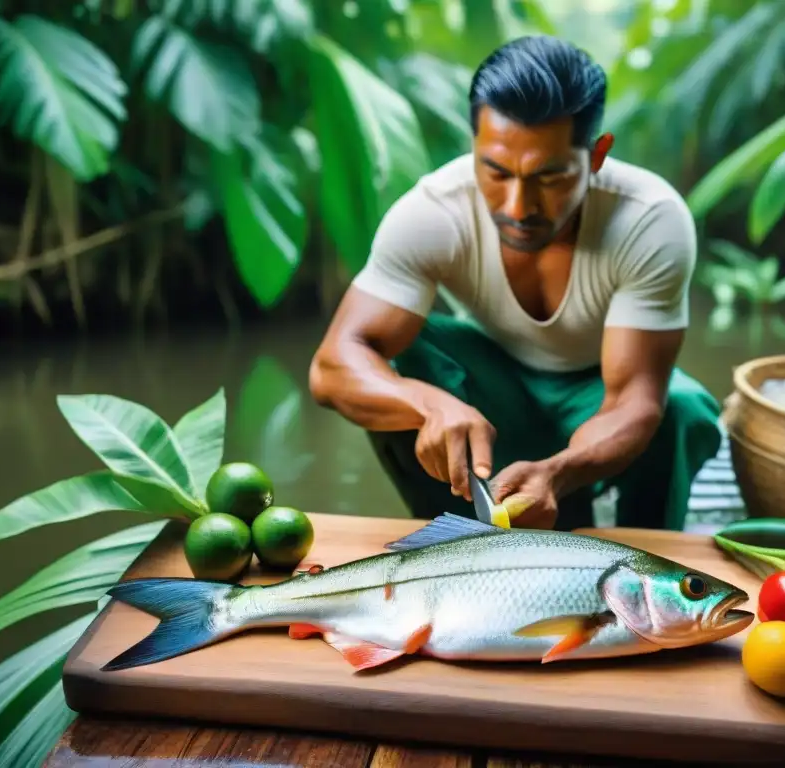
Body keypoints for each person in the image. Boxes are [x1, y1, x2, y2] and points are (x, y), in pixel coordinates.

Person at [308, 35, 722, 532]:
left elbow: (634, 400)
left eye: (549, 177)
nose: (517, 206)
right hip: (496, 386)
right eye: (496, 171)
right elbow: (332, 367)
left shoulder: (649, 219)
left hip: (598, 389)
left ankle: (649, 558)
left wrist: (559, 474)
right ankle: (457, 536)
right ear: (475, 145)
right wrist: (429, 403)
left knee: (681, 408)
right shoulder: (433, 212)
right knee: (393, 358)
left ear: (596, 155)